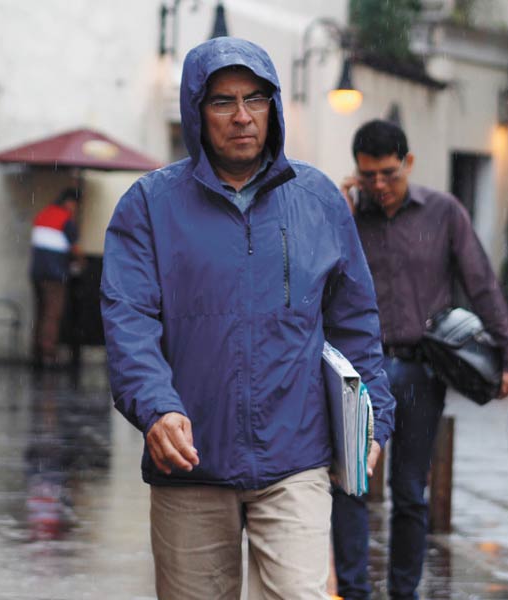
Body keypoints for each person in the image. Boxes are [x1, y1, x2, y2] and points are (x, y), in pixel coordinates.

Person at [100, 37, 394, 600]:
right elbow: (128, 320)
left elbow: (355, 321)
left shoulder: (317, 199)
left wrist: (375, 416)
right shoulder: (149, 205)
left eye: (255, 98)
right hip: (189, 461)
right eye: (222, 101)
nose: (242, 116)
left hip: (297, 457)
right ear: (196, 112)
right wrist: (156, 407)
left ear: (273, 105)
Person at [332, 119, 508, 600]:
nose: (379, 185)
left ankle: (404, 592)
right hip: (358, 371)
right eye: (368, 175)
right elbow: (321, 275)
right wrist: (340, 212)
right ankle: (354, 591)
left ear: (408, 163)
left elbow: (481, 282)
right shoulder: (346, 215)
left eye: (389, 174)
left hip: (420, 369)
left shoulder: (443, 212)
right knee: (350, 483)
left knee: (410, 491)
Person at [30, 188, 81, 369]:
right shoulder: (65, 219)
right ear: (69, 202)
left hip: (37, 272)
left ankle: (36, 352)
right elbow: (75, 249)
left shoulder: (44, 214)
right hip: (55, 274)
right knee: (53, 314)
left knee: (40, 312)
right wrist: (81, 262)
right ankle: (48, 354)